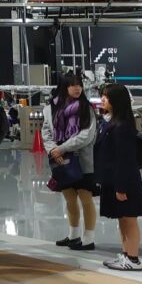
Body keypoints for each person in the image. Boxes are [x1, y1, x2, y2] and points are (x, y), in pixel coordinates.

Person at [96, 83, 142, 271]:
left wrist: (121, 187)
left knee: (129, 219)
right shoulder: (112, 122)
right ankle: (126, 254)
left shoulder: (122, 126)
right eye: (102, 95)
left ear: (117, 100)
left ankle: (133, 259)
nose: (103, 99)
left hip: (125, 181)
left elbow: (125, 159)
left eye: (107, 96)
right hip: (115, 180)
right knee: (122, 219)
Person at [44, 73, 98, 252]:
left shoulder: (86, 108)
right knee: (69, 199)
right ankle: (73, 235)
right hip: (61, 161)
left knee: (85, 198)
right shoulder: (50, 109)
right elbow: (46, 132)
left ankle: (88, 239)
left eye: (79, 85)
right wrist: (53, 150)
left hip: (82, 160)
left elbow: (87, 135)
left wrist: (62, 148)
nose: (77, 88)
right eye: (73, 85)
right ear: (63, 87)